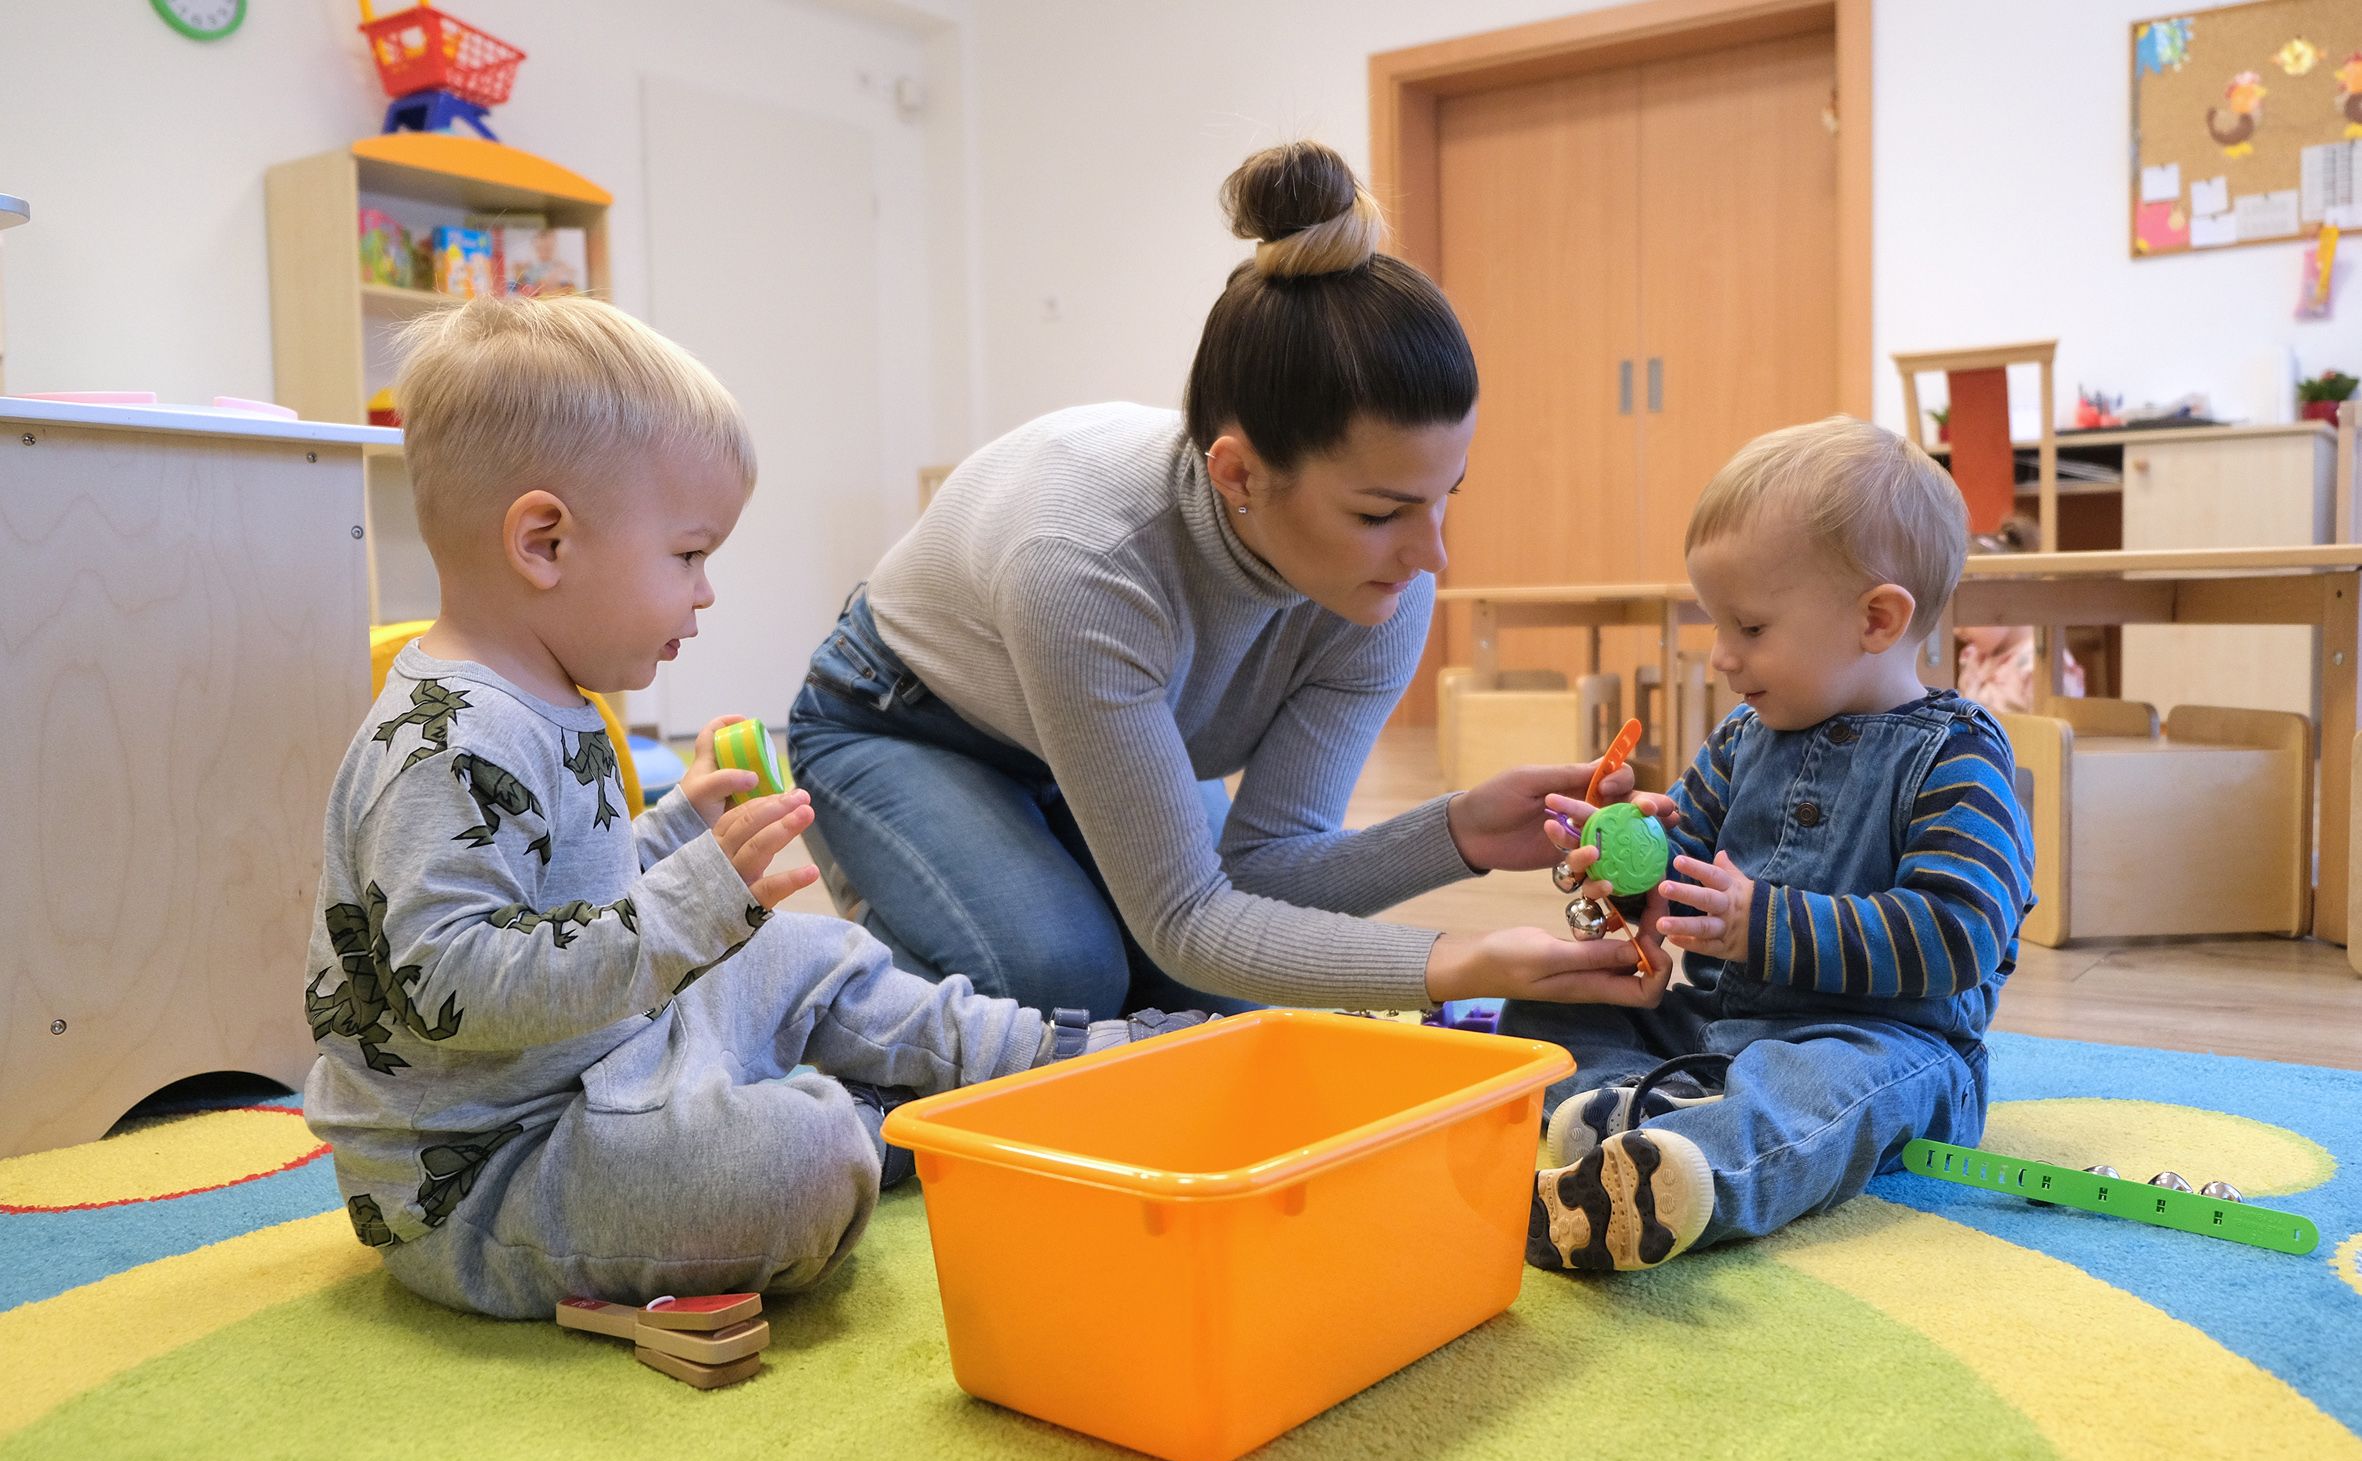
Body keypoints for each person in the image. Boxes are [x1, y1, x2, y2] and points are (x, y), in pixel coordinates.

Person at [303, 296, 1195, 1320]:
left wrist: (674, 828)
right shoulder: (449, 739)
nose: (707, 592)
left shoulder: (545, 692)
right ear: (544, 543)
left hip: (605, 1054)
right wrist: (688, 904)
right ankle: (892, 1132)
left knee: (804, 954)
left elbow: (556, 894)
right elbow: (455, 986)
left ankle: (1046, 1064)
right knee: (794, 1157)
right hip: (494, 1171)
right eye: (688, 555)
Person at [787, 140, 1668, 1021]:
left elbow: (1262, 871)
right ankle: (857, 940)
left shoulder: (1385, 592)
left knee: (1211, 980)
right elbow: (1186, 916)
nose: (1431, 555)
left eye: (1447, 497)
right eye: (1379, 513)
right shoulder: (1086, 563)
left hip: (1092, 733)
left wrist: (1460, 832)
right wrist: (1461, 960)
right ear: (1238, 474)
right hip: (901, 719)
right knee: (1061, 978)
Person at [1517, 416, 2035, 1273]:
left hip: (1887, 1048)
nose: (1722, 656)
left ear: (1876, 618)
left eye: (1750, 628)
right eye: (1717, 625)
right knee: (1540, 1005)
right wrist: (1622, 860)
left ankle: (1680, 1174)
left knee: (1821, 1096)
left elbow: (1959, 935)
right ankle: (1637, 1106)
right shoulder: (1744, 736)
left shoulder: (1957, 759)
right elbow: (1680, 873)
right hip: (1721, 1029)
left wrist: (1765, 924)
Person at [1952, 516, 2086, 715]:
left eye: (1967, 611)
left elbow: (2060, 735)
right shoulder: (1973, 658)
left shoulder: (2042, 666)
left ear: (2006, 598)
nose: (1957, 630)